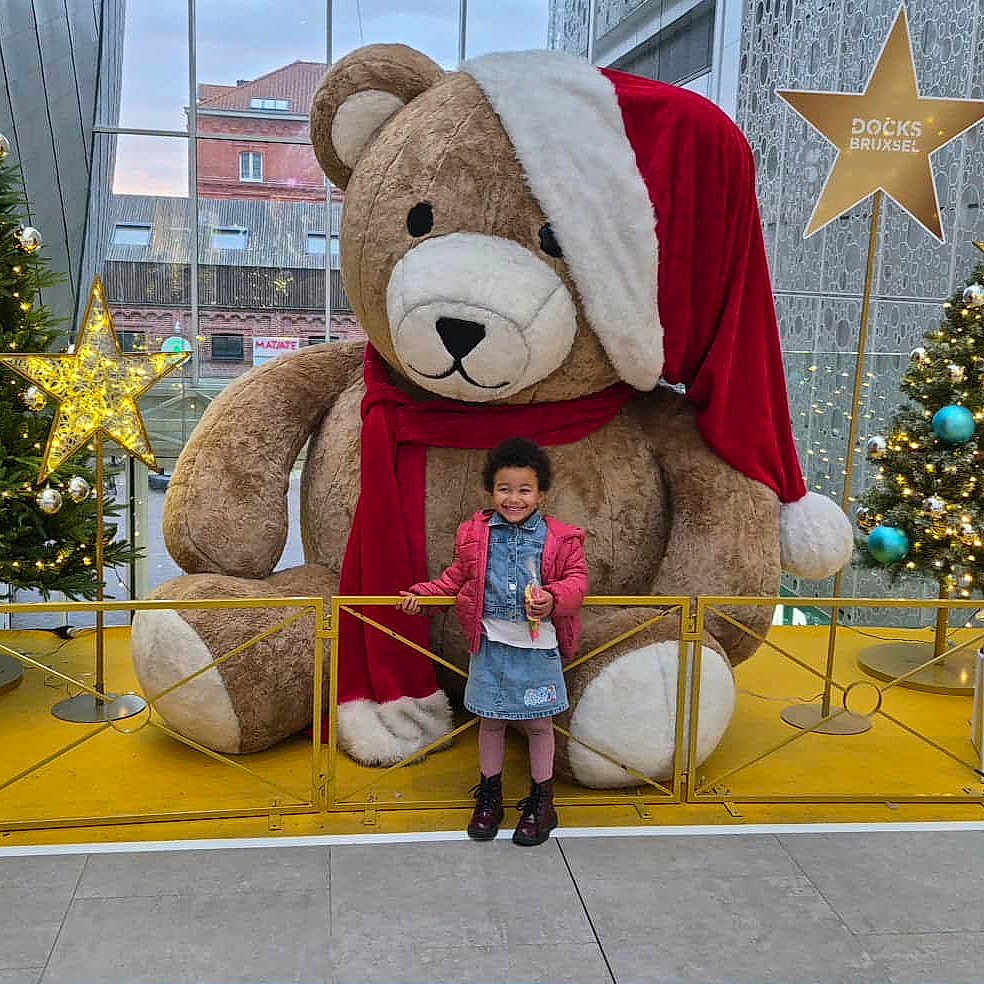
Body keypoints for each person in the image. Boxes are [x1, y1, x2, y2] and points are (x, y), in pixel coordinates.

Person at [399, 437, 588, 845]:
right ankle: (490, 797)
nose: (514, 498)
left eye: (524, 490)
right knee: (492, 722)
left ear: (541, 493)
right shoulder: (474, 533)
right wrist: (423, 596)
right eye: (505, 488)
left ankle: (542, 802)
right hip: (491, 648)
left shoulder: (562, 537)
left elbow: (577, 583)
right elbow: (454, 580)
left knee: (540, 725)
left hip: (539, 651)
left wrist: (553, 599)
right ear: (491, 489)